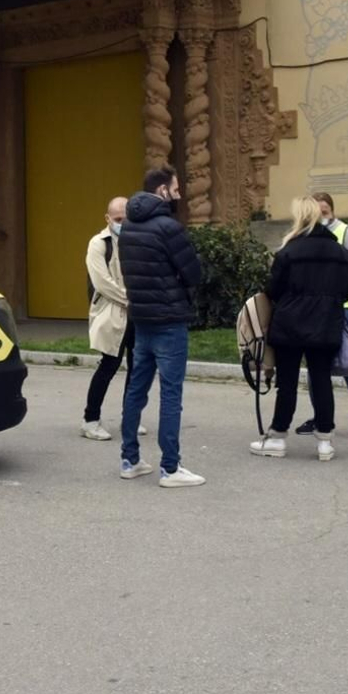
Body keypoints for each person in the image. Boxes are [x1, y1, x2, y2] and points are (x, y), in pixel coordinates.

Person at [250, 197, 348, 462]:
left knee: (286, 382)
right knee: (321, 380)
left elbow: (273, 289)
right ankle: (325, 441)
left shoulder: (289, 251)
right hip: (326, 324)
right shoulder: (342, 254)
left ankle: (277, 436)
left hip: (290, 324)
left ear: (299, 217)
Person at [116, 167, 206, 487]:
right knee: (170, 393)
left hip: (141, 319)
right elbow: (194, 273)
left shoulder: (128, 226)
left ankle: (130, 459)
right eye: (176, 189)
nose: (179, 194)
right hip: (169, 319)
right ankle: (170, 467)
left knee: (136, 388)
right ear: (163, 191)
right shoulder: (169, 227)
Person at [291, 192, 348, 440]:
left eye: (325, 212)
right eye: (316, 213)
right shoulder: (303, 236)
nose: (321, 217)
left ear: (332, 211)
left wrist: (335, 273)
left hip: (342, 307)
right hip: (313, 308)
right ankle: (321, 417)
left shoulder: (344, 232)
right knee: (316, 366)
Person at [82, 197, 145, 440]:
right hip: (113, 313)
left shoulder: (138, 241)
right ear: (108, 219)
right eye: (118, 219)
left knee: (137, 367)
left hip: (135, 314)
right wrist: (131, 299)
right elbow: (102, 283)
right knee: (109, 365)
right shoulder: (98, 244)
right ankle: (90, 420)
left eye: (127, 219)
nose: (123, 224)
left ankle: (130, 417)